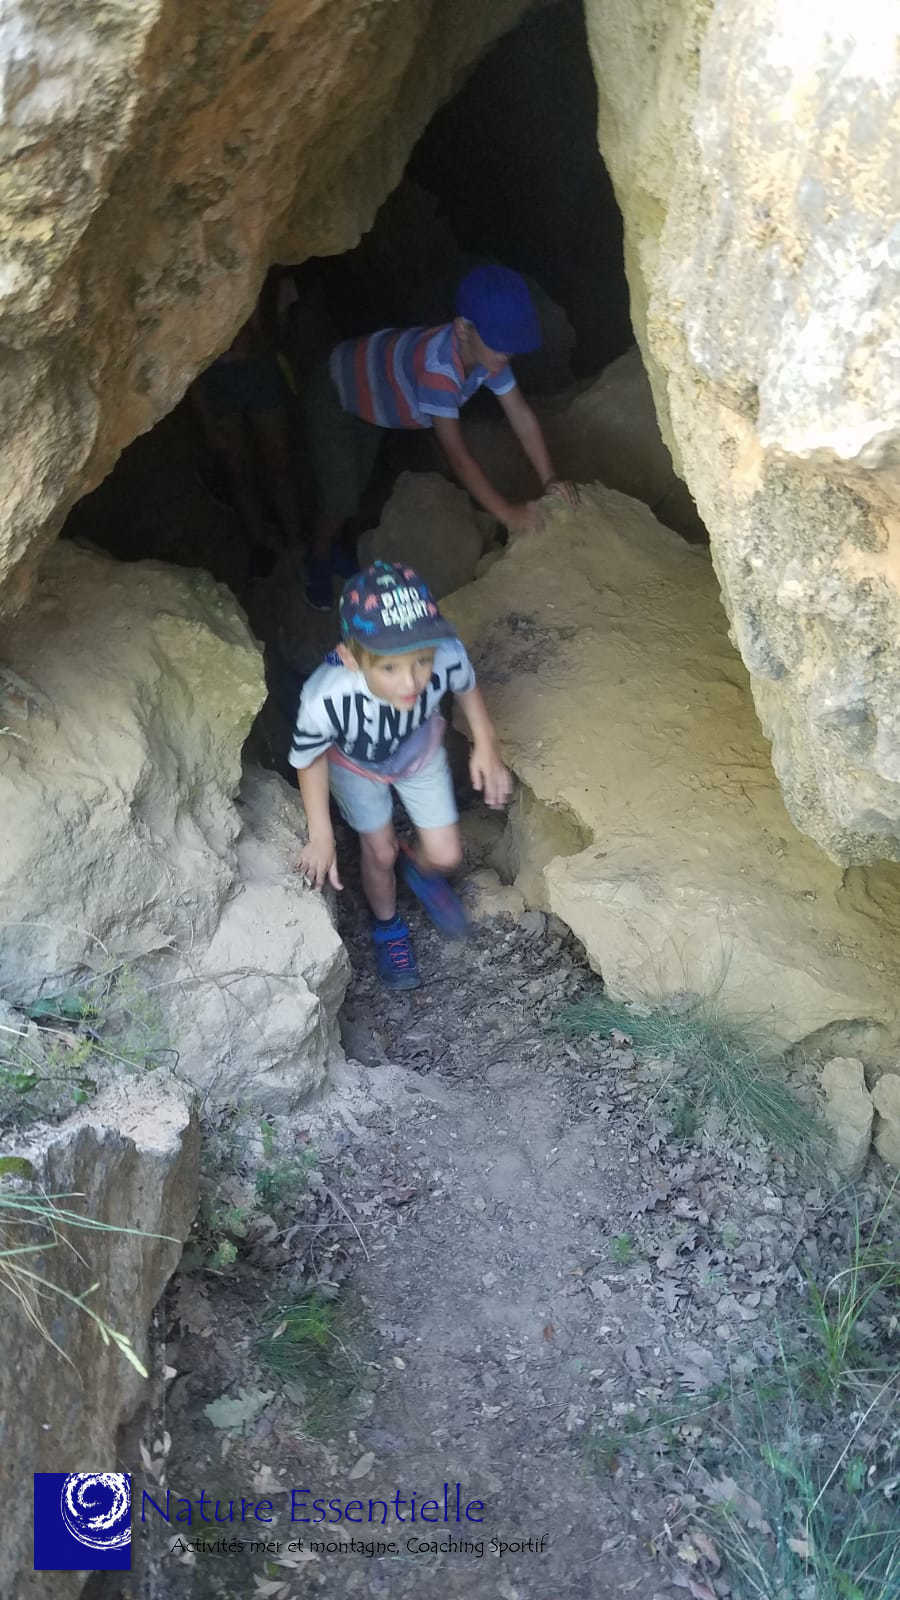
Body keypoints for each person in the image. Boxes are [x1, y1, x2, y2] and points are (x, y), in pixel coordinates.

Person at [299, 264, 578, 609]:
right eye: (500, 343)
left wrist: (549, 478)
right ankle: (316, 559)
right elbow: (457, 455)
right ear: (463, 329)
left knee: (355, 485)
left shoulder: (489, 356)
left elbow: (520, 414)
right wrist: (508, 514)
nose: (507, 354)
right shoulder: (438, 371)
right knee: (341, 495)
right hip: (335, 391)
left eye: (512, 345)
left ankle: (335, 543)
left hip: (371, 397)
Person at [290, 559, 511, 989]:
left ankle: (419, 869)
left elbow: (466, 685)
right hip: (355, 766)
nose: (410, 682)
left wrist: (486, 744)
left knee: (446, 855)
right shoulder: (326, 696)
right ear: (351, 657)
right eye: (389, 668)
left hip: (417, 753)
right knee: (380, 852)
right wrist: (321, 834)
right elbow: (308, 757)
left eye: (421, 662)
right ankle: (388, 927)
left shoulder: (444, 653)